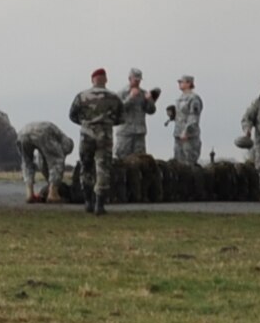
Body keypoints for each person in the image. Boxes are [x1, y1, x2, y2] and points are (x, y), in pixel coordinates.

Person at [68, 68, 123, 214]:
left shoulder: (82, 96)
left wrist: (86, 122)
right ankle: (100, 204)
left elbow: (72, 115)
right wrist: (106, 122)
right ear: (105, 79)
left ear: (93, 80)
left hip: (87, 135)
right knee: (103, 168)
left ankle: (88, 202)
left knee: (86, 167)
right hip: (105, 136)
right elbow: (121, 118)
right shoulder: (114, 98)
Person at [16, 119, 74, 202]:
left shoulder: (53, 136)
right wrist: (55, 181)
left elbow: (41, 163)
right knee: (57, 161)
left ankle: (30, 194)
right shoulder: (66, 141)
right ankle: (53, 194)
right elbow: (57, 159)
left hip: (22, 133)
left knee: (27, 162)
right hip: (41, 132)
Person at [113, 69, 158, 157]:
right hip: (125, 132)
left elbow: (151, 111)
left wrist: (150, 100)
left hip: (139, 133)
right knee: (122, 158)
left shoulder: (143, 93)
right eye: (135, 80)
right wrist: (130, 97)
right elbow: (118, 109)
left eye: (139, 80)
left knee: (140, 159)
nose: (137, 82)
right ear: (130, 78)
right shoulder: (122, 93)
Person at [171, 75, 203, 165]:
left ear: (189, 83)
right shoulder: (179, 99)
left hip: (189, 136)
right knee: (178, 162)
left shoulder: (193, 98)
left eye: (181, 82)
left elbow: (194, 117)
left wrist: (187, 131)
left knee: (189, 162)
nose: (179, 84)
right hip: (178, 134)